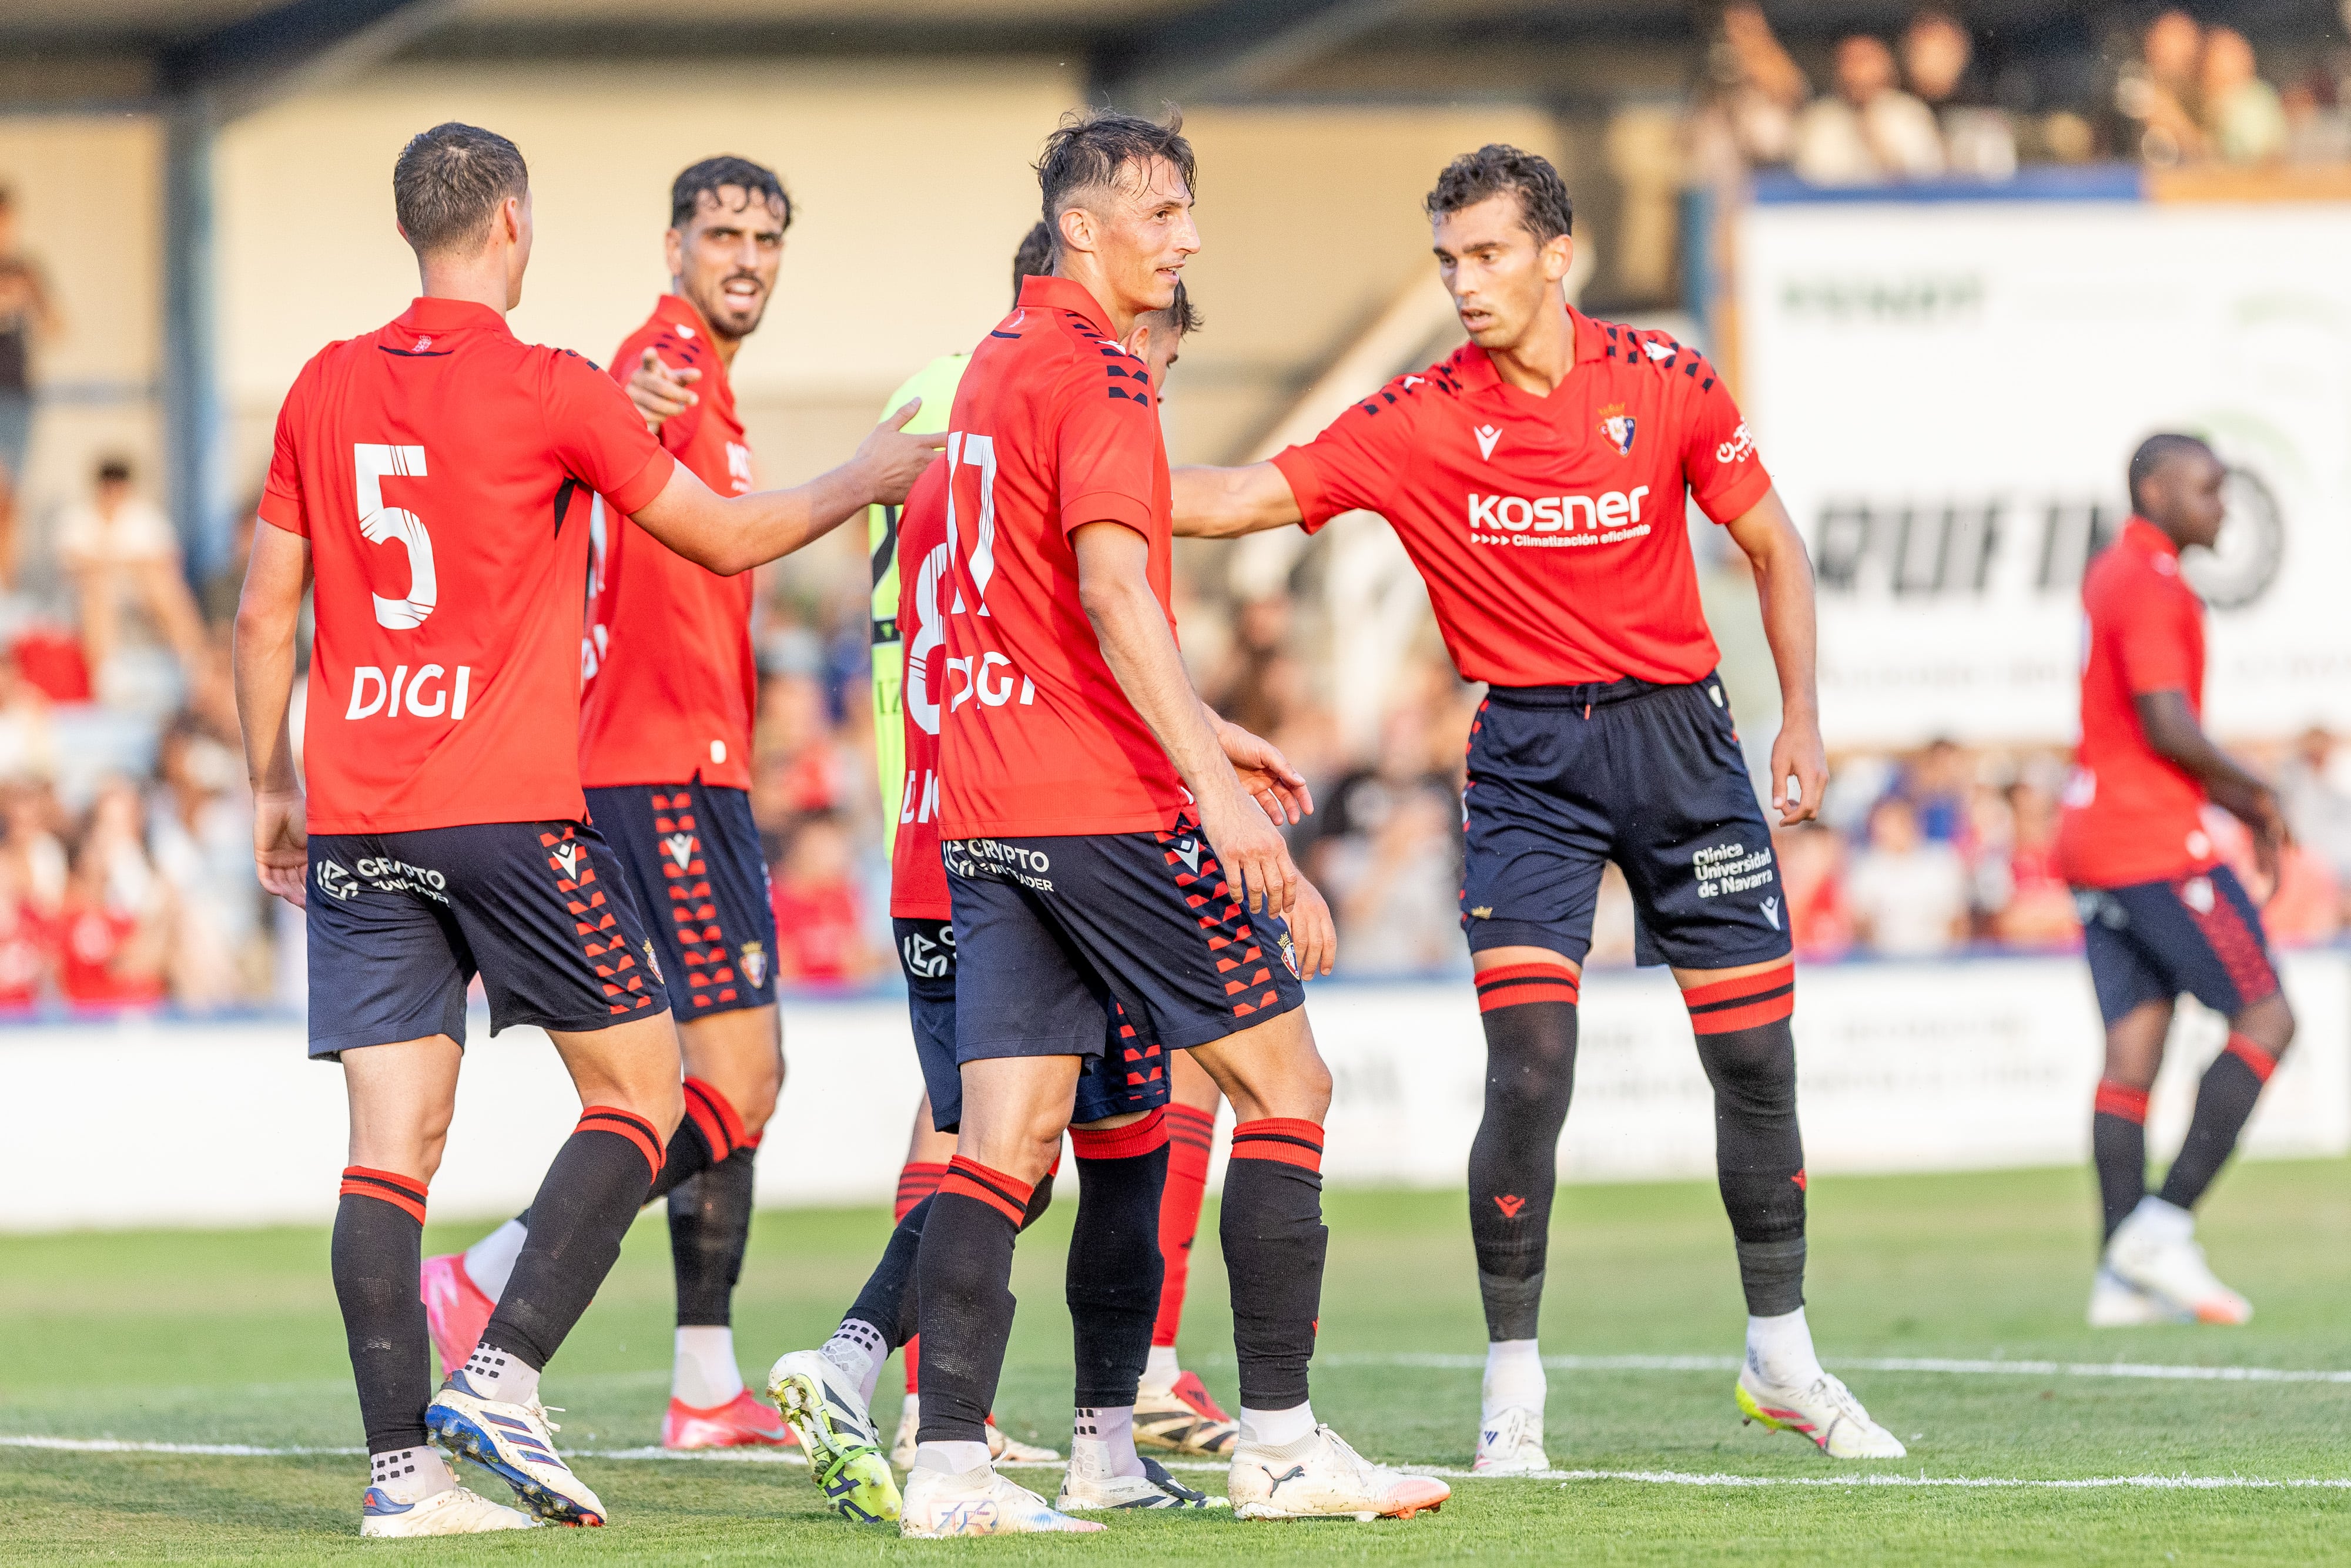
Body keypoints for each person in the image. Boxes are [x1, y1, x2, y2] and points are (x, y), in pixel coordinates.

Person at [232, 120, 939, 1537]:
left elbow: (265, 611)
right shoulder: (555, 386)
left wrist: (270, 785)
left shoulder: (320, 384)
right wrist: (864, 476)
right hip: (505, 808)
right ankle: (500, 1370)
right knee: (645, 1096)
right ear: (515, 223)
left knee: (387, 1153)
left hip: (361, 814)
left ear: (410, 228)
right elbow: (724, 534)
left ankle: (401, 1481)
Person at [1172, 143, 1907, 1470]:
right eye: (1448, 259)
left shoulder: (1664, 380)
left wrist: (1798, 717)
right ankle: (1513, 1385)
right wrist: (1060, 473)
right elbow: (1238, 501)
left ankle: (1781, 1358)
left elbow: (1770, 544)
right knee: (1530, 1070)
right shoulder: (1414, 418)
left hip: (1688, 752)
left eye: (1488, 254)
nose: (1463, 282)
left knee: (1754, 1064)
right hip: (1528, 766)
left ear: (1555, 258)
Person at [894, 108, 1443, 1535]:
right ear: (1082, 228)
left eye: (1188, 211)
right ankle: (1275, 1442)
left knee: (1004, 1141)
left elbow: (1020, 604)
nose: (1186, 238)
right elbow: (1114, 593)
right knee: (1287, 1087)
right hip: (1098, 805)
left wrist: (1212, 730)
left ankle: (952, 1466)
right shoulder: (1099, 373)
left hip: (986, 802)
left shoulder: (990, 370)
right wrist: (1212, 795)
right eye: (1159, 214)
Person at [642, 218, 1246, 1468]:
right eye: (1163, 361)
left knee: (993, 1128)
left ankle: (895, 1375)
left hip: (932, 806)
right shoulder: (1067, 402)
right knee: (1061, 1125)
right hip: (1041, 814)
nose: (1157, 388)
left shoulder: (946, 400)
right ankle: (1027, 1404)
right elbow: (1072, 619)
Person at [420, 155, 802, 1455]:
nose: (744, 255)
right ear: (673, 242)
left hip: (699, 766)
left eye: (765, 236)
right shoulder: (663, 364)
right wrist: (631, 404)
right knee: (740, 1083)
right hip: (659, 769)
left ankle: (704, 1379)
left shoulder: (716, 388)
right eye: (722, 232)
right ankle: (490, 1273)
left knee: (725, 1082)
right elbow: (602, 425)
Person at [2056, 433, 2294, 1329]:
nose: (2223, 505)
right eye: (2208, 488)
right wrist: (2256, 793)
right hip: (2149, 840)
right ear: (2155, 489)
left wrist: (2237, 801)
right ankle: (2163, 1223)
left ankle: (2120, 1278)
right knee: (2269, 1017)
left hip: (2094, 837)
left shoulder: (2112, 571)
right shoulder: (2151, 582)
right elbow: (2166, 724)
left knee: (2131, 1057)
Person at [58, 457, 209, 682]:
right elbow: (74, 565)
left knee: (163, 588)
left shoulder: (145, 516)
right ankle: (105, 677)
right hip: (92, 595)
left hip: (140, 593)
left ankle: (196, 667)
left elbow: (167, 562)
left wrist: (112, 562)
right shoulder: (78, 517)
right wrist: (128, 563)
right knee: (97, 589)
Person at [0, 187, 59, 591]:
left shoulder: (27, 270)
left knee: (12, 497)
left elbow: (57, 328)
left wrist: (33, 301)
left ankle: (6, 585)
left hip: (19, 395)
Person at [1793, 35, 1946, 184]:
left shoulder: (1909, 113)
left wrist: (1876, 137)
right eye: (1850, 61)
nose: (1857, 72)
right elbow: (1812, 179)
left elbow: (1929, 177)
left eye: (1866, 60)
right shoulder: (1820, 118)